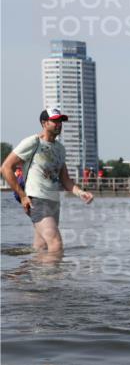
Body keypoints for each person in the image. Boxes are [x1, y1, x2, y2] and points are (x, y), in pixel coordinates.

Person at [1, 107, 94, 255]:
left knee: (41, 246)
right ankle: (54, 271)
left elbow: (65, 179)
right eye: (55, 121)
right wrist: (23, 196)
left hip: (54, 202)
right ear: (44, 123)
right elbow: (6, 167)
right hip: (36, 199)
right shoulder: (33, 142)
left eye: (60, 121)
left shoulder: (60, 149)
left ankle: (32, 270)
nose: (59, 124)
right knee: (56, 243)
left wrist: (80, 193)